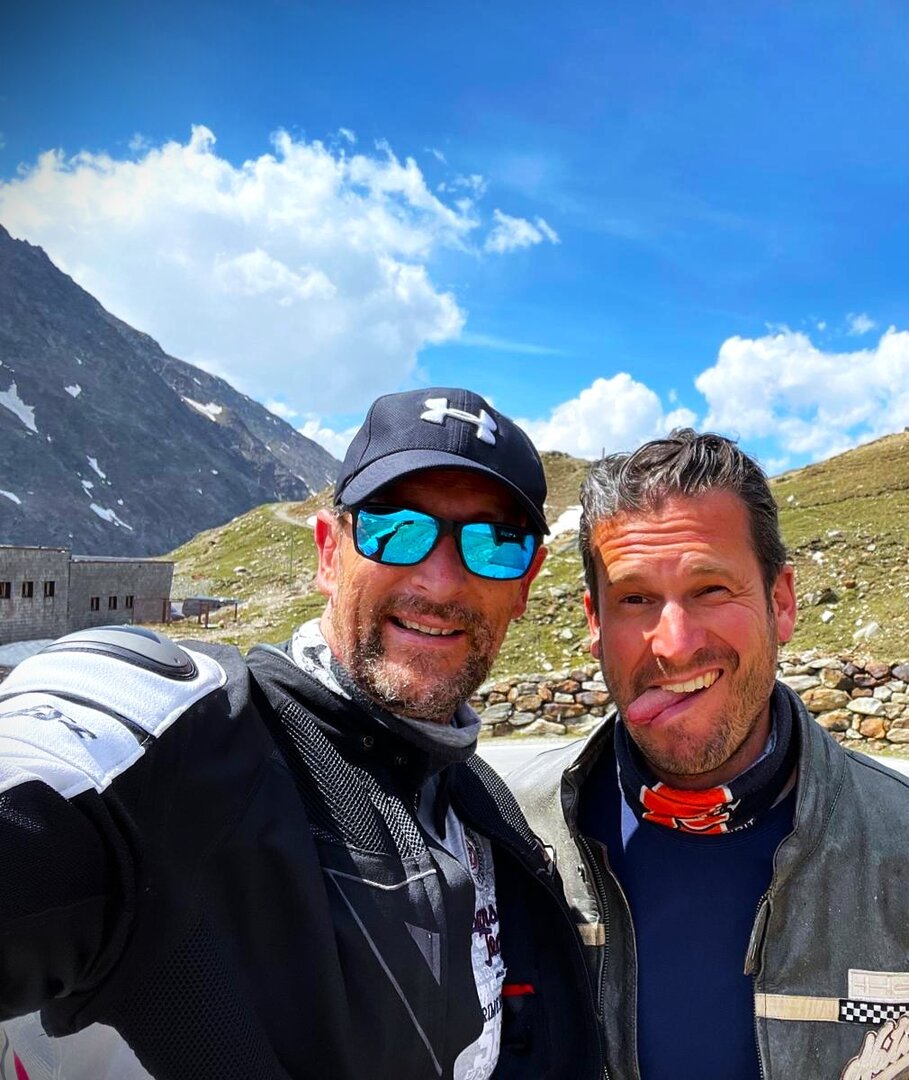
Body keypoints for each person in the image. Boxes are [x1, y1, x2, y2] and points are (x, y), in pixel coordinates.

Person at [0, 388, 602, 1080]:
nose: (441, 583)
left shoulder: (479, 798)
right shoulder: (185, 747)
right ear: (328, 553)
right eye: (395, 527)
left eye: (494, 544)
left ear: (524, 586)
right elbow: (53, 785)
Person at [509, 429, 909, 1080]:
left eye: (711, 589)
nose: (674, 644)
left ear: (781, 603)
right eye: (635, 599)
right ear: (595, 622)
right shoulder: (506, 834)